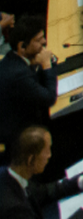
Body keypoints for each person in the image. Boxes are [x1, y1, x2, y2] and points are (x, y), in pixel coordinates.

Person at [0, 17, 58, 148]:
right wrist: (47, 64)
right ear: (22, 46)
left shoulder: (13, 58)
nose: (44, 42)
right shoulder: (18, 73)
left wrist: (46, 63)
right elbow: (49, 98)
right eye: (38, 40)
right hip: (16, 134)